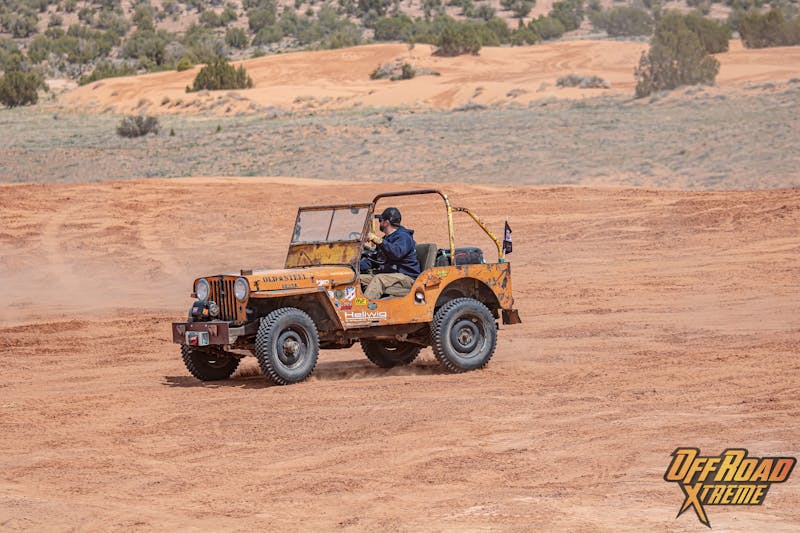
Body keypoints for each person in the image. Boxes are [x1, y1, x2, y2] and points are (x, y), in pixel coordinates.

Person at [359, 207, 421, 299]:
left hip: (407, 277)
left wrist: (379, 241)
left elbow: (396, 253)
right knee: (358, 279)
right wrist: (353, 268)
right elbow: (374, 260)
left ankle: (363, 310)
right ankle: (345, 308)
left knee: (379, 279)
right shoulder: (386, 239)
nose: (379, 223)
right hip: (390, 276)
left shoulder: (404, 237)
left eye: (380, 220)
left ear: (386, 222)